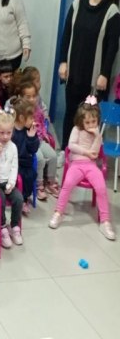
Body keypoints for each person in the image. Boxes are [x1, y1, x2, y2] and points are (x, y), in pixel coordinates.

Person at [59, 0, 120, 148]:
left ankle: (85, 156)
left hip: (94, 78)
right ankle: (66, 150)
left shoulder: (112, 11)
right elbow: (66, 35)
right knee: (71, 113)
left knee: (88, 118)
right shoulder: (77, 4)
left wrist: (104, 74)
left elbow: (112, 47)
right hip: (74, 73)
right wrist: (63, 62)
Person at [50, 96, 115, 240]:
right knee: (67, 184)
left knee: (101, 188)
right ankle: (58, 213)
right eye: (87, 122)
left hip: (91, 166)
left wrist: (97, 137)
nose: (91, 125)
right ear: (81, 121)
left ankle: (105, 222)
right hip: (77, 164)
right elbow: (71, 146)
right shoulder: (76, 129)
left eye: (94, 121)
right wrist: (86, 152)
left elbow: (95, 153)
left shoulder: (97, 133)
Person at [0, 108, 23, 248]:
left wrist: (12, 182)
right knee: (0, 199)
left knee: (18, 198)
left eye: (9, 132)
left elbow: (14, 166)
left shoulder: (13, 147)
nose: (6, 136)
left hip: (8, 182)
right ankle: (2, 227)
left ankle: (14, 226)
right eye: (2, 133)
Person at [11, 97, 40, 214]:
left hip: (25, 163)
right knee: (16, 175)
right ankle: (16, 197)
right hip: (12, 162)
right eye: (31, 118)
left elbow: (34, 149)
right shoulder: (11, 130)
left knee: (30, 175)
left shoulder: (30, 130)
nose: (33, 120)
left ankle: (24, 198)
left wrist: (31, 137)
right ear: (22, 118)